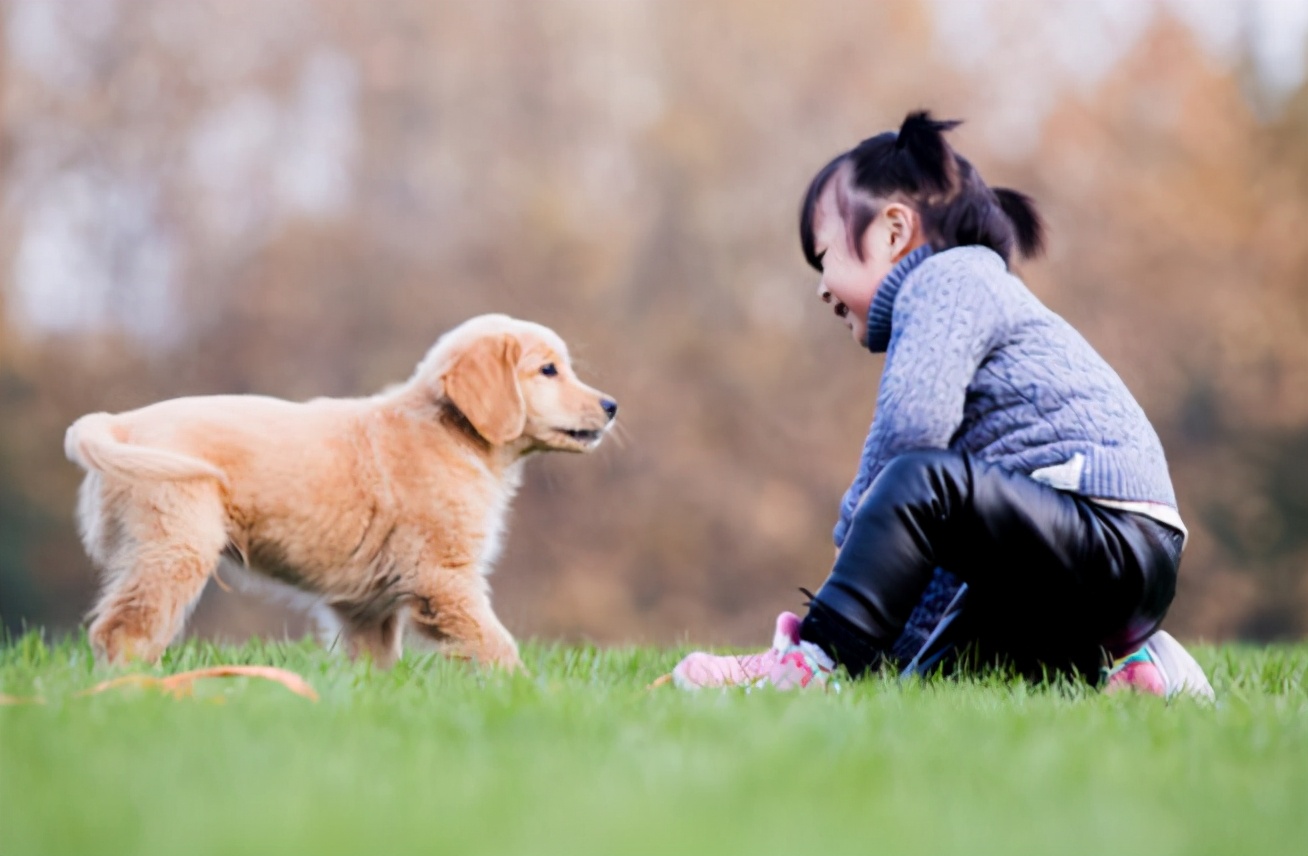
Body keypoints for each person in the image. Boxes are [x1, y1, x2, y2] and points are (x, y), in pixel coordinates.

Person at [671, 111, 1213, 699]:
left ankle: (807, 663)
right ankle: (1144, 669)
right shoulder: (957, 306)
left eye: (823, 256)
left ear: (895, 231)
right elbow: (937, 537)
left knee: (916, 476)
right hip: (1083, 568)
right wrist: (889, 655)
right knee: (932, 683)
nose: (821, 286)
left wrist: (858, 531)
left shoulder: (950, 279)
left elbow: (912, 439)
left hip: (1107, 532)